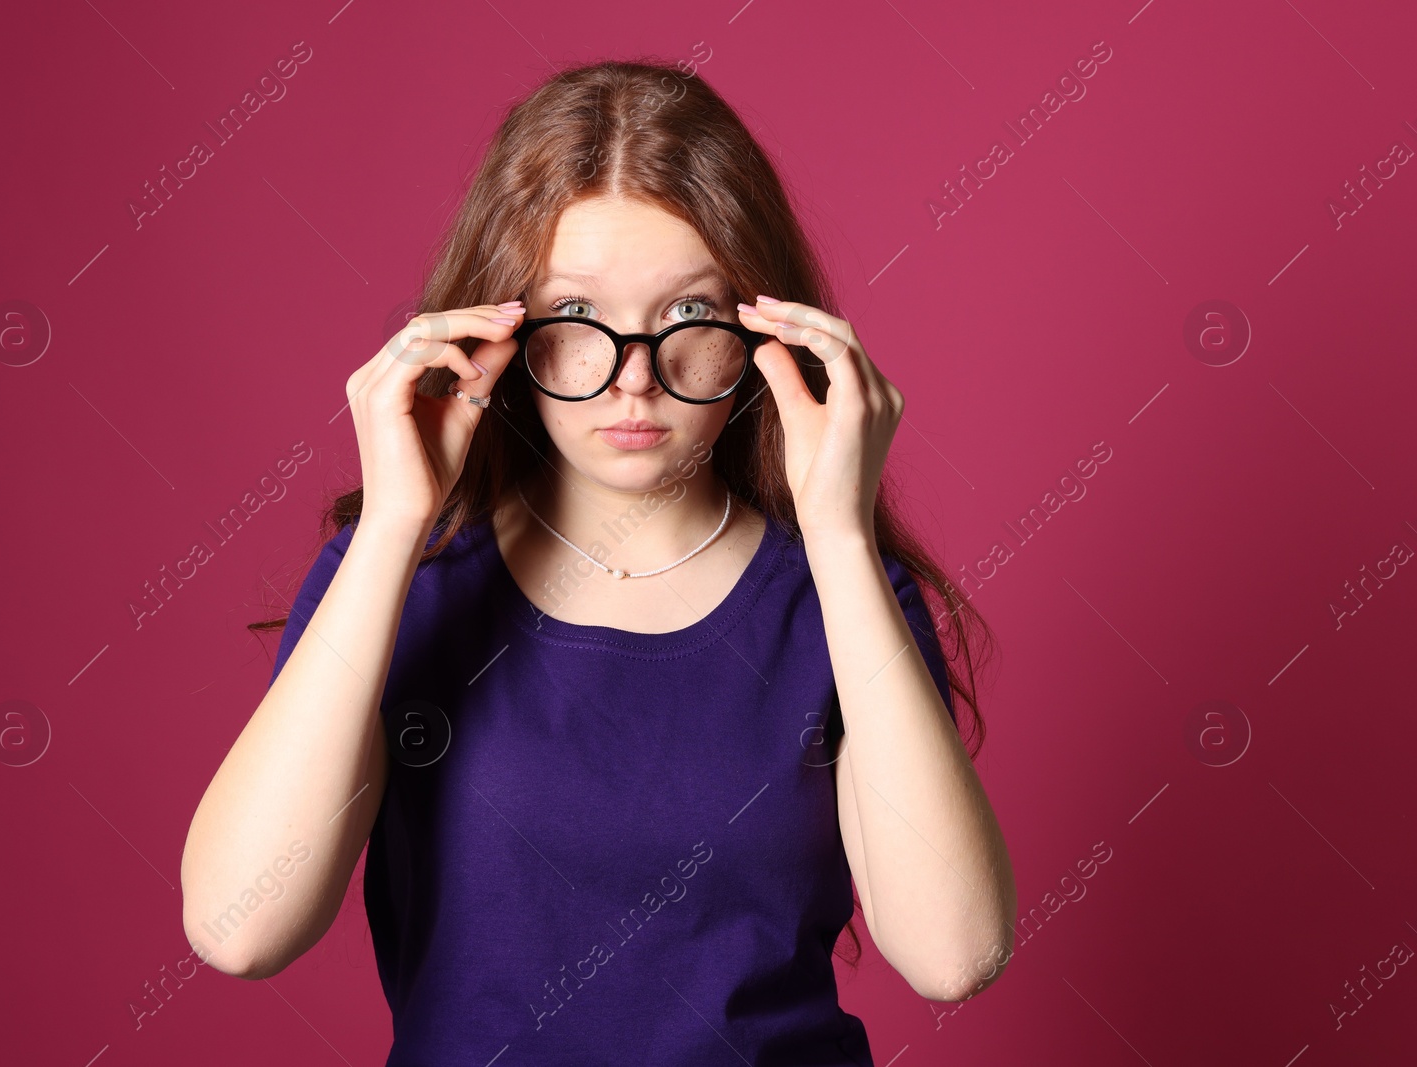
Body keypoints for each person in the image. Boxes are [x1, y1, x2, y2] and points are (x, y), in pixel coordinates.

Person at [180, 58, 1015, 1066]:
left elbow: (954, 953)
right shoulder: (408, 578)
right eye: (577, 320)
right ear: (505, 324)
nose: (631, 383)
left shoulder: (837, 596)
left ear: (764, 328)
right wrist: (398, 521)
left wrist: (838, 535)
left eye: (689, 317)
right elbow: (238, 927)